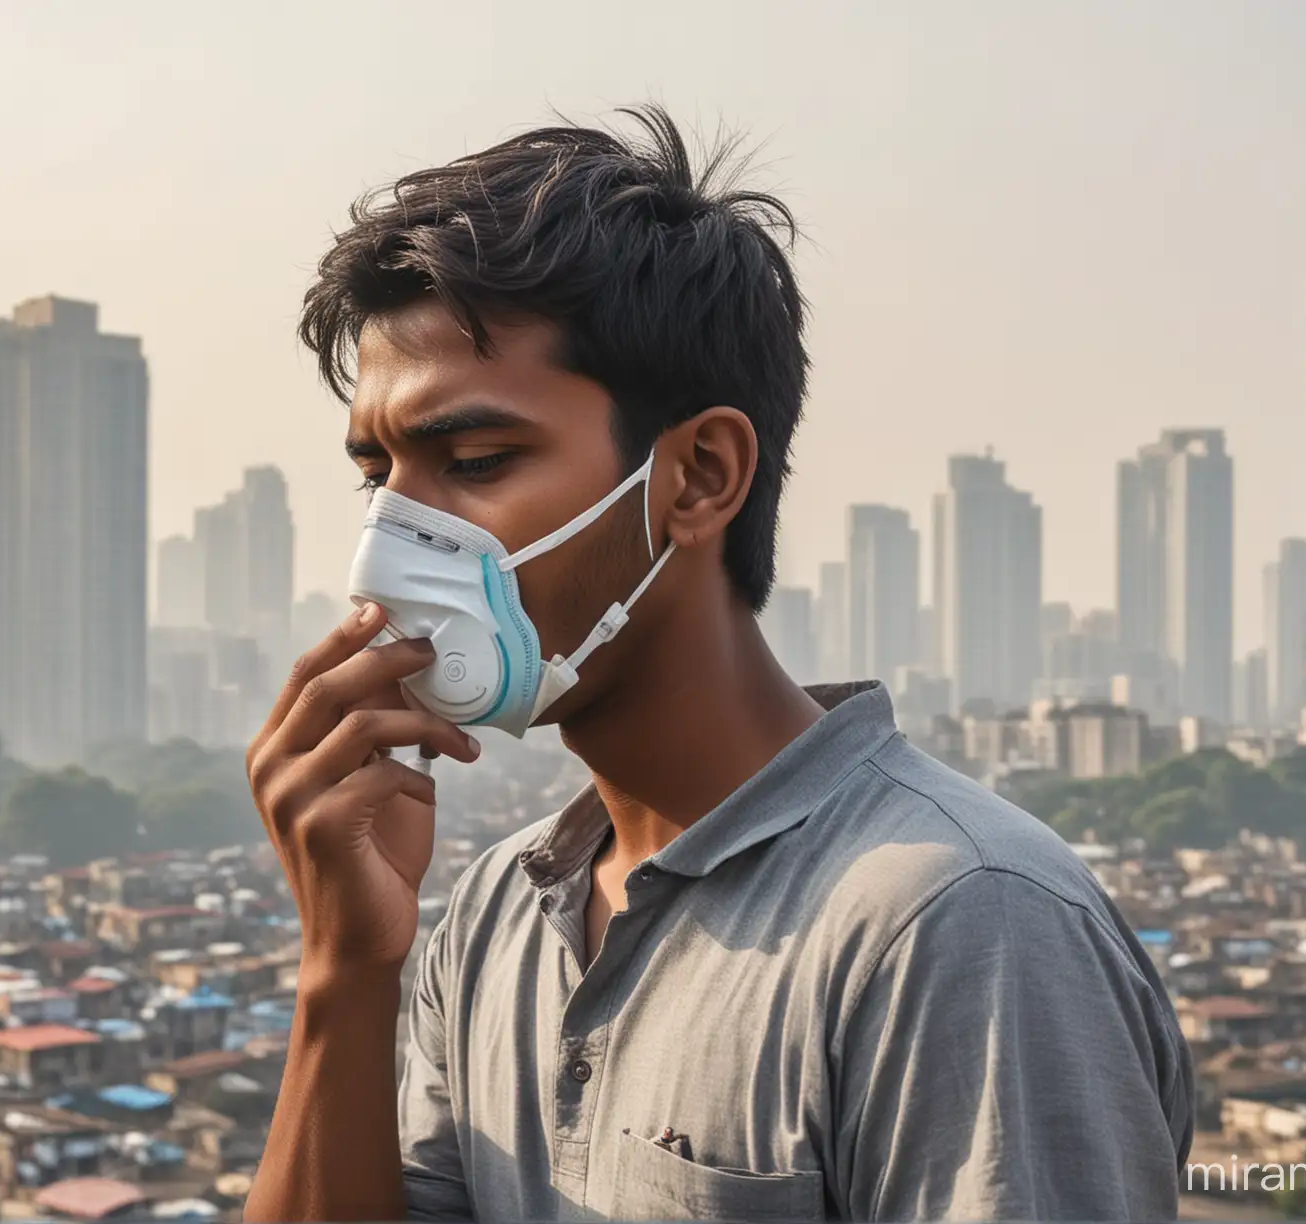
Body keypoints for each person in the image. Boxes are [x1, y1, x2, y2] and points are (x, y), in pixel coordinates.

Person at [243, 106, 1193, 1223]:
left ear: (695, 478)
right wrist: (345, 972)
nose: (393, 545)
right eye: (380, 479)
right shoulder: (499, 911)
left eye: (477, 460)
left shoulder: (960, 925)